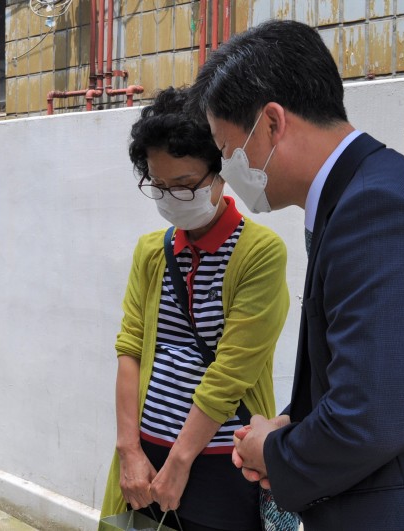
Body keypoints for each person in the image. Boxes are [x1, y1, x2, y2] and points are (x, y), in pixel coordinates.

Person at [188, 19, 404, 531]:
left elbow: (371, 416)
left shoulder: (377, 209)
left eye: (226, 148)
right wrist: (294, 424)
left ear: (272, 123)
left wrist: (276, 451)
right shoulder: (365, 195)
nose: (226, 166)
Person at [99, 87, 289, 531]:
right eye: (158, 186)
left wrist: (182, 460)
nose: (171, 199)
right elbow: (130, 348)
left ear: (220, 170)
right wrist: (129, 450)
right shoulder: (151, 251)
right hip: (146, 455)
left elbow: (232, 371)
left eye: (185, 186)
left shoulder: (260, 253)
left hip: (225, 461)